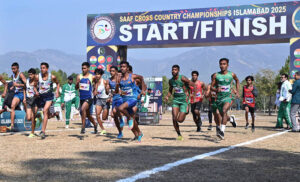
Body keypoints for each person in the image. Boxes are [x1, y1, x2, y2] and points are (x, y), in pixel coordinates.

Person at [165, 65, 196, 141]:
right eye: (172, 70)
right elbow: (170, 90)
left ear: (178, 71)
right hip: (176, 100)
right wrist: (167, 96)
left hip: (184, 101)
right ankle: (179, 134)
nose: (173, 71)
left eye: (175, 70)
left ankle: (185, 111)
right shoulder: (171, 81)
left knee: (180, 120)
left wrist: (192, 94)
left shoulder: (182, 78)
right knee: (174, 118)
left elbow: (193, 85)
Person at [116, 61, 145, 142]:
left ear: (127, 68)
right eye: (121, 66)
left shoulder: (132, 76)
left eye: (124, 66)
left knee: (121, 108)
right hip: (125, 99)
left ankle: (129, 118)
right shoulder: (119, 78)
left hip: (133, 99)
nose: (122, 68)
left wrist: (143, 90)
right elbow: (116, 91)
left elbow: (141, 77)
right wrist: (117, 84)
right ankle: (138, 133)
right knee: (132, 120)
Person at [211, 58, 239, 140]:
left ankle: (222, 132)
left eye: (224, 64)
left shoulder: (232, 74)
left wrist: (237, 91)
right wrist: (216, 89)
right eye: (221, 64)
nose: (222, 66)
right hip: (219, 98)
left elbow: (237, 80)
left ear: (227, 65)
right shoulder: (216, 75)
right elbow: (211, 87)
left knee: (224, 111)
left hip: (229, 97)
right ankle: (231, 119)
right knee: (223, 115)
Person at [35, 62, 60, 139]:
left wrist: (57, 91)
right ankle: (55, 114)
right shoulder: (37, 76)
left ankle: (43, 131)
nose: (42, 69)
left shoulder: (52, 77)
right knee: (47, 115)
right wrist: (36, 91)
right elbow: (34, 85)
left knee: (45, 111)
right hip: (40, 96)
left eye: (44, 68)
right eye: (41, 68)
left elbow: (58, 83)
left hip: (49, 96)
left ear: (47, 69)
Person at [76, 62, 98, 134]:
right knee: (88, 115)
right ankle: (95, 124)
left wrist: (95, 90)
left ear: (88, 68)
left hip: (89, 97)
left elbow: (96, 82)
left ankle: (83, 127)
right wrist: (77, 83)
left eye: (84, 68)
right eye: (82, 68)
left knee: (82, 109)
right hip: (82, 97)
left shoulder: (92, 77)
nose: (83, 70)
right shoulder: (79, 76)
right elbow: (76, 88)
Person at [8, 62, 27, 131]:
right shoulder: (12, 75)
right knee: (12, 106)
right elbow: (15, 83)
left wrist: (18, 85)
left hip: (23, 93)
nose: (13, 70)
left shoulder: (21, 75)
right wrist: (13, 86)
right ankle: (12, 125)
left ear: (18, 68)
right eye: (12, 69)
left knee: (26, 110)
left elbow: (27, 84)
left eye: (14, 69)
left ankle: (34, 117)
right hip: (17, 94)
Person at [107, 66, 124, 138]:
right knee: (113, 116)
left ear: (116, 72)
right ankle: (120, 132)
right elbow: (109, 91)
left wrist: (122, 92)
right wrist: (109, 95)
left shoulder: (120, 79)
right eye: (110, 71)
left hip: (120, 98)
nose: (111, 72)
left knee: (114, 112)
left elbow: (125, 88)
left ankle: (121, 119)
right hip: (114, 98)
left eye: (113, 71)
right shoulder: (109, 80)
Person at [93, 68, 110, 135]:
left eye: (98, 74)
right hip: (99, 100)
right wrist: (95, 92)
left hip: (106, 100)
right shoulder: (95, 82)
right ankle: (103, 129)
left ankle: (105, 116)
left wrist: (107, 90)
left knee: (104, 118)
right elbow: (95, 91)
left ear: (101, 75)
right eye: (96, 74)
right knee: (97, 115)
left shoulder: (105, 82)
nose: (97, 75)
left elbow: (109, 92)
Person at [26, 68, 39, 137]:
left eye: (31, 74)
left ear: (34, 75)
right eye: (29, 74)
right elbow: (24, 89)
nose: (30, 76)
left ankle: (32, 132)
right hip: (28, 100)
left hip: (35, 100)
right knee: (28, 118)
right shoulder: (27, 81)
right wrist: (24, 97)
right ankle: (38, 115)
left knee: (33, 117)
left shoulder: (37, 82)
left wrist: (37, 93)